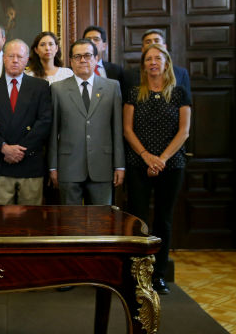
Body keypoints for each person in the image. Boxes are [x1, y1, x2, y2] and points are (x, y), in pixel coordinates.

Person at [123, 43, 191, 295]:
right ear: (143, 66)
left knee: (163, 220)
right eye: (148, 59)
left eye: (157, 58)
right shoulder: (134, 93)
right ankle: (137, 274)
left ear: (166, 63)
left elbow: (184, 131)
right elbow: (127, 129)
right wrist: (146, 156)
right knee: (138, 220)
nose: (153, 62)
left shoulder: (179, 93)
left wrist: (160, 159)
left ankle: (158, 275)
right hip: (138, 164)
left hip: (171, 165)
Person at [48, 38, 125, 205]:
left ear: (96, 59)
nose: (82, 60)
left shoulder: (112, 87)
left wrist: (119, 166)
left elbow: (117, 129)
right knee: (70, 223)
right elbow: (53, 130)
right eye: (77, 56)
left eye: (88, 55)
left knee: (101, 224)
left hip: (102, 166)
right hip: (68, 166)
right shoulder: (57, 89)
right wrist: (53, 166)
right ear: (71, 61)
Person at [0, 39, 52, 205]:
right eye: (11, 56)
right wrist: (4, 148)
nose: (15, 60)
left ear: (27, 59)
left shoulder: (41, 87)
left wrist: (20, 150)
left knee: (30, 221)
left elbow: (44, 122)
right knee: (1, 221)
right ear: (4, 58)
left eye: (20, 57)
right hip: (1, 163)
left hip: (30, 163)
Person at [123, 28, 192, 101]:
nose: (153, 44)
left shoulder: (181, 73)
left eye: (156, 41)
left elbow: (186, 102)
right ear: (142, 49)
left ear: (165, 47)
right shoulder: (129, 75)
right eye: (148, 42)